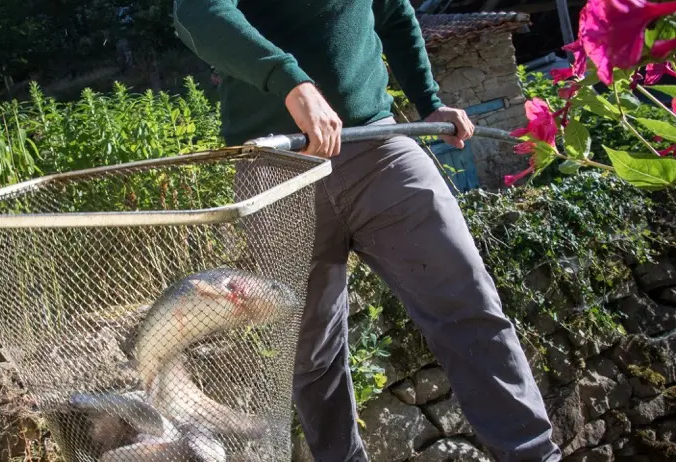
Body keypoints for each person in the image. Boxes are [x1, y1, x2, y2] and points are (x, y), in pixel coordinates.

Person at [172, 1, 563, 461]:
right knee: (310, 352)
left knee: (468, 305)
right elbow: (197, 12)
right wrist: (290, 83)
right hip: (275, 169)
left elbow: (395, 14)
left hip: (378, 147)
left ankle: (534, 455)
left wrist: (429, 101)